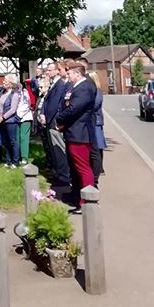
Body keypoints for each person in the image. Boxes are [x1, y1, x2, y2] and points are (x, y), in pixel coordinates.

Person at [56, 60, 96, 212]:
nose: (69, 76)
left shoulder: (84, 88)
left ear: (78, 73)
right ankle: (79, 197)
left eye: (71, 73)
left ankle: (86, 202)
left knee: (83, 168)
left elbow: (73, 109)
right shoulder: (78, 86)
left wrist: (59, 119)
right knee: (77, 168)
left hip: (80, 133)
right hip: (75, 132)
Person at [40, 61, 71, 185]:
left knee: (59, 150)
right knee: (53, 149)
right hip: (49, 120)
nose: (47, 72)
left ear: (57, 71)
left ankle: (63, 176)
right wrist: (42, 113)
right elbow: (46, 101)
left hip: (54, 121)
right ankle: (58, 173)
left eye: (50, 70)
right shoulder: (54, 84)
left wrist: (46, 118)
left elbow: (54, 104)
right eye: (47, 70)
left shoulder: (60, 85)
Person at [0, 75, 21, 168]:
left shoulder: (15, 94)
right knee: (5, 141)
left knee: (12, 141)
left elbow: (13, 110)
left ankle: (16, 162)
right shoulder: (2, 93)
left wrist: (3, 117)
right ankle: (8, 161)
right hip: (1, 121)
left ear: (11, 83)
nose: (3, 82)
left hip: (10, 121)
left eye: (6, 81)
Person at [88, 71, 106, 183]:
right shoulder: (92, 91)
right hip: (93, 120)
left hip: (96, 121)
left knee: (98, 146)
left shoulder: (98, 91)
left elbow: (96, 104)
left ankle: (100, 168)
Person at [16, 80, 34, 165]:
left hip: (25, 117)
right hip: (15, 118)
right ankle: (18, 155)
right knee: (17, 137)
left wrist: (18, 115)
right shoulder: (13, 93)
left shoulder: (24, 92)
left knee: (24, 137)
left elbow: (27, 105)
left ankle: (24, 157)